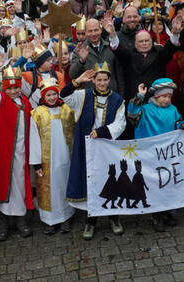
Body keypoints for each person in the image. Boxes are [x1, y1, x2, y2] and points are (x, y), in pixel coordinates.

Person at [61, 64, 127, 239]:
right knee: (91, 181)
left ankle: (114, 217)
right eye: (99, 80)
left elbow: (120, 124)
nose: (102, 83)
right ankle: (91, 221)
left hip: (108, 146)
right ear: (94, 81)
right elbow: (64, 95)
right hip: (87, 147)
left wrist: (102, 132)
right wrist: (78, 82)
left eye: (105, 80)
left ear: (109, 80)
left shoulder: (118, 100)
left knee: (111, 180)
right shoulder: (83, 96)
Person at [0, 66, 38, 241]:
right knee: (2, 185)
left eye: (16, 88)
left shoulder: (26, 103)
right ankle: (2, 221)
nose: (13, 91)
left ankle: (20, 219)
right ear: (4, 88)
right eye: (9, 88)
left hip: (21, 153)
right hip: (2, 155)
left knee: (19, 186)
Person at [126, 78, 184, 232]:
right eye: (164, 96)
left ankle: (167, 211)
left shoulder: (172, 109)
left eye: (169, 97)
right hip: (151, 155)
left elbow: (177, 121)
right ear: (157, 96)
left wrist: (183, 125)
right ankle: (156, 215)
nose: (167, 100)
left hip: (168, 154)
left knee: (168, 182)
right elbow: (132, 113)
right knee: (154, 184)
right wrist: (139, 96)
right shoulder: (145, 110)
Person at [29, 78, 76, 234]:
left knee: (63, 187)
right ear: (43, 96)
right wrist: (36, 164)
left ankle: (65, 218)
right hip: (46, 161)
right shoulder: (37, 114)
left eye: (54, 95)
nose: (51, 98)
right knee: (48, 190)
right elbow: (34, 140)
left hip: (64, 159)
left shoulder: (66, 110)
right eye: (48, 95)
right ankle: (49, 221)